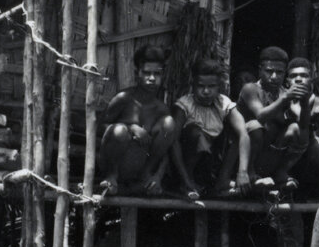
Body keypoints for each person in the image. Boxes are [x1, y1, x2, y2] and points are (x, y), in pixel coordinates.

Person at [98, 44, 176, 196]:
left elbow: (167, 147)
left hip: (140, 165)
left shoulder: (161, 109)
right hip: (115, 163)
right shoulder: (124, 98)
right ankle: (111, 177)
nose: (152, 78)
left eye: (157, 74)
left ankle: (146, 176)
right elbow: (101, 127)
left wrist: (157, 176)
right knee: (119, 131)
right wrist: (132, 128)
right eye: (147, 73)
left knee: (169, 124)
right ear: (137, 74)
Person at [170, 58, 251, 199]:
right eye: (201, 86)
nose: (206, 91)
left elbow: (243, 133)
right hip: (187, 164)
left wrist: (242, 172)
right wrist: (185, 178)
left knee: (239, 132)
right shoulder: (184, 105)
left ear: (219, 86)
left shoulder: (223, 103)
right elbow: (173, 142)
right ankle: (186, 184)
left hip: (212, 163)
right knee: (195, 133)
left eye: (211, 86)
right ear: (193, 85)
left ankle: (222, 181)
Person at [243, 55, 319, 195]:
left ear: (312, 78)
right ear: (287, 81)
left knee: (304, 135)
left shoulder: (317, 100)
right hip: (254, 155)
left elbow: (302, 123)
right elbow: (261, 117)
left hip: (295, 155)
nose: (298, 79)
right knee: (256, 126)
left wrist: (306, 104)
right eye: (294, 76)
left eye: (304, 75)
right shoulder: (257, 90)